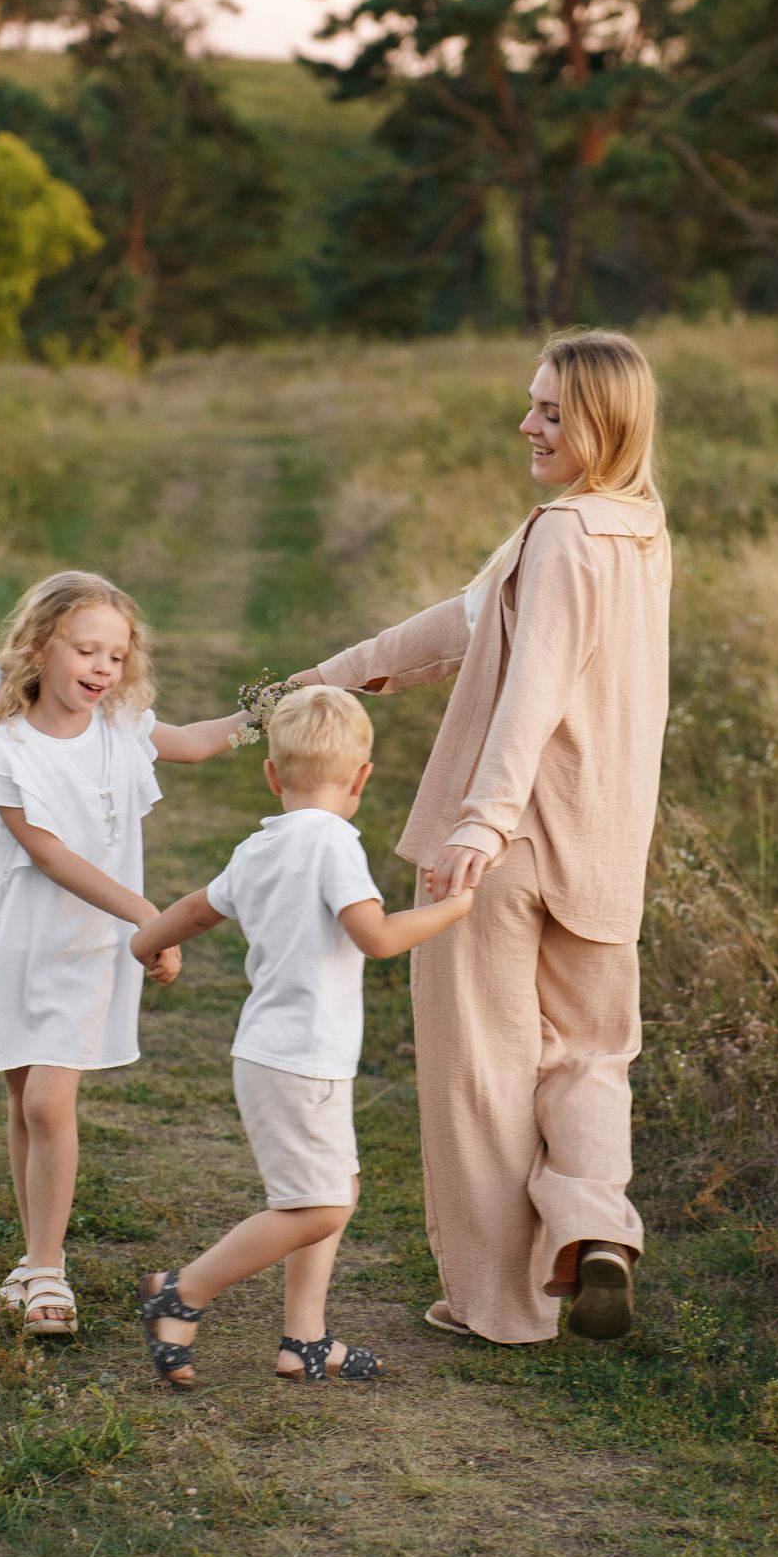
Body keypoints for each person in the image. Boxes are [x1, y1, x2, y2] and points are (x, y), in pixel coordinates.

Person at [299, 330, 671, 1346]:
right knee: (590, 1058)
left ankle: (500, 1305)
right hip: (602, 848)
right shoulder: (638, 529)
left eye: (551, 411)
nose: (529, 425)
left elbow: (532, 687)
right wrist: (335, 674)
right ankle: (597, 1234)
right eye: (533, 405)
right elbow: (470, 624)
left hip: (505, 848)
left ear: (606, 419)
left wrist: (481, 820)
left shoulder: (558, 532)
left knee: (481, 1071)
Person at [128, 685, 473, 1387]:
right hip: (300, 1058)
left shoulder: (260, 845)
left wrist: (146, 942)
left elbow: (198, 908)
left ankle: (305, 1339)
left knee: (333, 1188)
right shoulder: (334, 844)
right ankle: (182, 1291)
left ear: (271, 775)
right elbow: (375, 937)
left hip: (279, 1052)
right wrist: (454, 908)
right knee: (316, 1205)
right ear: (361, 779)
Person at [0, 569, 247, 1338]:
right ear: (41, 647)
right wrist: (149, 918)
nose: (102, 670)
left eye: (116, 656)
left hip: (94, 945)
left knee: (49, 1101)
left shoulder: (120, 726)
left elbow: (200, 743)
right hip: (23, 943)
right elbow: (51, 858)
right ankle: (32, 1259)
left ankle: (48, 1273)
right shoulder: (4, 754)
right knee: (23, 1099)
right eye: (87, 651)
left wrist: (283, 705)